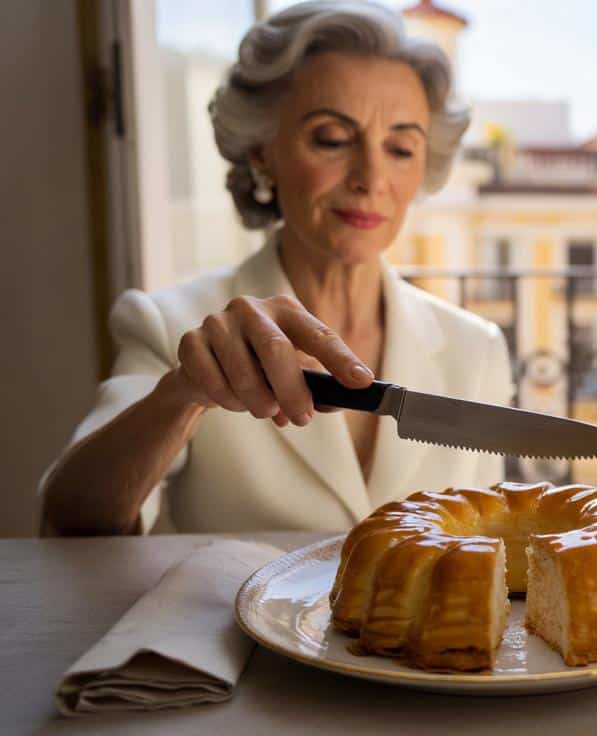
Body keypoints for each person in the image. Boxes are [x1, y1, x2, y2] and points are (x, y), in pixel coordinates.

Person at [41, 0, 511, 535]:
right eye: (332, 139)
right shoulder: (171, 326)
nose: (371, 177)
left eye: (401, 148)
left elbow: (486, 541)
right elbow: (70, 523)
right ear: (262, 152)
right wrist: (185, 393)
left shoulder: (477, 348)